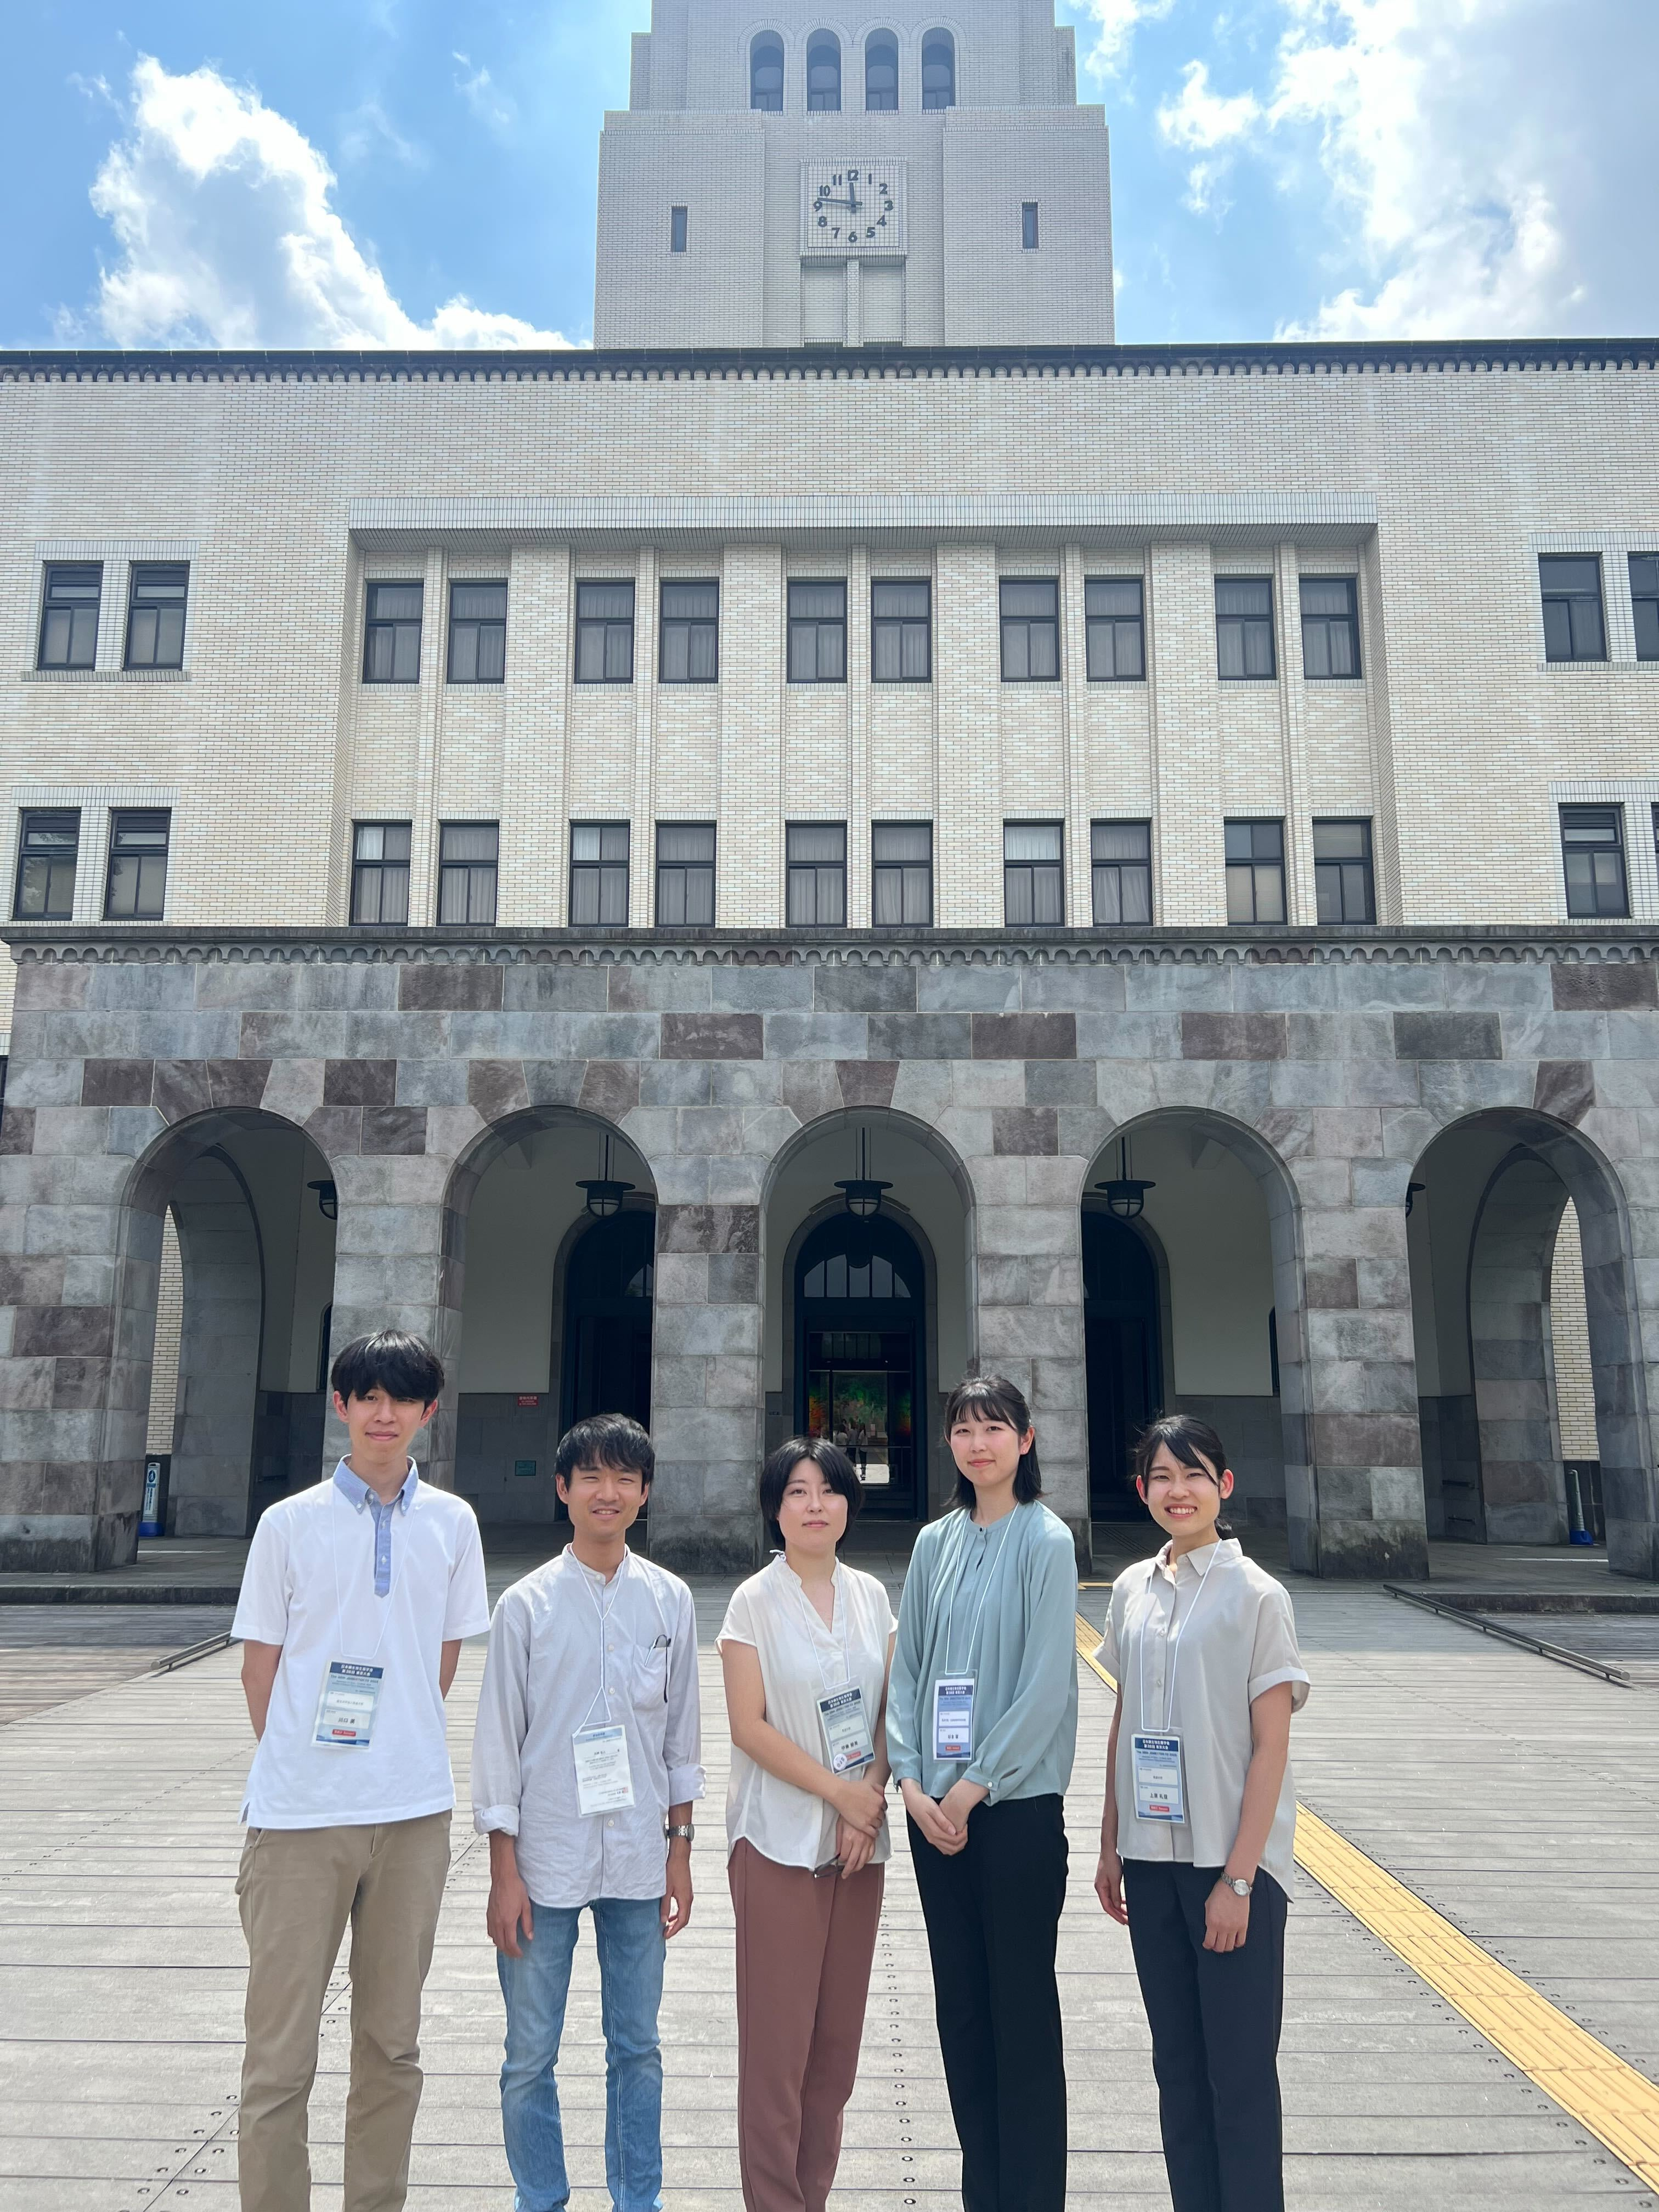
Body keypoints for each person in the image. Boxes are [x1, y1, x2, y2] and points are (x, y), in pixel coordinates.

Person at [231, 1329, 491, 2212]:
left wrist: (395, 1745)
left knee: (392, 2047)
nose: (385, 1414)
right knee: (279, 2056)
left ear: (428, 1410)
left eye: (403, 1398)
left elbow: (444, 1656)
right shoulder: (289, 1523)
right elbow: (259, 1665)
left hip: (414, 1816)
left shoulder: (453, 1523)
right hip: (300, 1820)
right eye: (367, 1397)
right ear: (340, 1406)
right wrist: (303, 1757)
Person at [471, 1413, 703, 2212]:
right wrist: (504, 1871)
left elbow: (681, 1737)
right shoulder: (526, 1607)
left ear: (644, 1494)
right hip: (545, 1860)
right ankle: (541, 2198)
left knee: (637, 2048)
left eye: (626, 1478)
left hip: (640, 1856)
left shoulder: (669, 1601)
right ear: (564, 1489)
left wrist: (680, 1850)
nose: (609, 1492)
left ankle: (638, 2199)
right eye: (593, 1477)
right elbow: (499, 1746)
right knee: (529, 2054)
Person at [1092, 1414, 1310, 2212]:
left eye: (1192, 1475)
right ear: (1141, 1490)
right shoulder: (1130, 1590)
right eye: (1159, 1477)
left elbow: (1271, 1748)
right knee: (1177, 2069)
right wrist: (1111, 1843)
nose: (1175, 1491)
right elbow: (1124, 1720)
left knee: (1241, 2077)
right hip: (1152, 1864)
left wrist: (1242, 1880)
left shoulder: (1259, 1596)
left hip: (1231, 1866)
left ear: (1222, 1485)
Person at [886, 1374, 1079, 2212]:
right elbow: (909, 1669)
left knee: (1021, 2013)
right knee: (961, 2010)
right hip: (935, 1817)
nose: (977, 1443)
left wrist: (969, 1790)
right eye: (963, 1429)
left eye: (995, 1428)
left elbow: (1045, 1688)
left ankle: (1030, 2196)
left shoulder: (1047, 1540)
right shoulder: (934, 1543)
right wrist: (912, 1782)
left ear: (1025, 1441)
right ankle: (984, 2192)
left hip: (1014, 1814)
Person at [718, 1438, 898, 2212]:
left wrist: (871, 1798)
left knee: (834, 2051)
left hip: (859, 1850)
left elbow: (896, 1710)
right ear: (775, 1508)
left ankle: (812, 2196)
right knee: (777, 2052)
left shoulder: (872, 1596)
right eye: (797, 1491)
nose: (815, 1504)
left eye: (829, 1490)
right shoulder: (752, 1602)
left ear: (850, 1504)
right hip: (779, 1845)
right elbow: (748, 1726)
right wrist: (842, 1795)